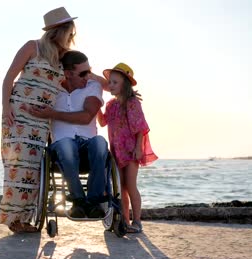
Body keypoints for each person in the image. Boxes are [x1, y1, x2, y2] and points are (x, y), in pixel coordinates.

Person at [0, 7, 77, 233]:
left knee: (33, 167)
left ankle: (23, 219)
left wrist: (116, 85)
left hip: (41, 120)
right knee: (18, 164)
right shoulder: (32, 46)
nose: (71, 38)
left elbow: (85, 74)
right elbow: (9, 78)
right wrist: (6, 108)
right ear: (59, 31)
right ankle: (14, 220)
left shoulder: (64, 58)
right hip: (18, 114)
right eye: (70, 33)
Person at [29, 50, 108, 219]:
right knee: (66, 145)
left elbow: (87, 117)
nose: (88, 76)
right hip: (61, 146)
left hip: (88, 143)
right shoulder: (51, 89)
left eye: (90, 71)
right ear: (67, 73)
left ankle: (94, 201)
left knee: (100, 142)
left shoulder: (93, 86)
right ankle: (78, 201)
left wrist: (53, 113)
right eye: (83, 73)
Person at [97, 63, 158, 233]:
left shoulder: (132, 103)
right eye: (110, 82)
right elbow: (102, 122)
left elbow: (140, 128)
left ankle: (137, 221)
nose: (111, 86)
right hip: (116, 151)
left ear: (125, 84)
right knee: (120, 187)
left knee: (131, 185)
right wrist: (96, 106)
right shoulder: (111, 105)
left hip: (130, 150)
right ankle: (124, 220)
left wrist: (139, 147)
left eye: (115, 82)